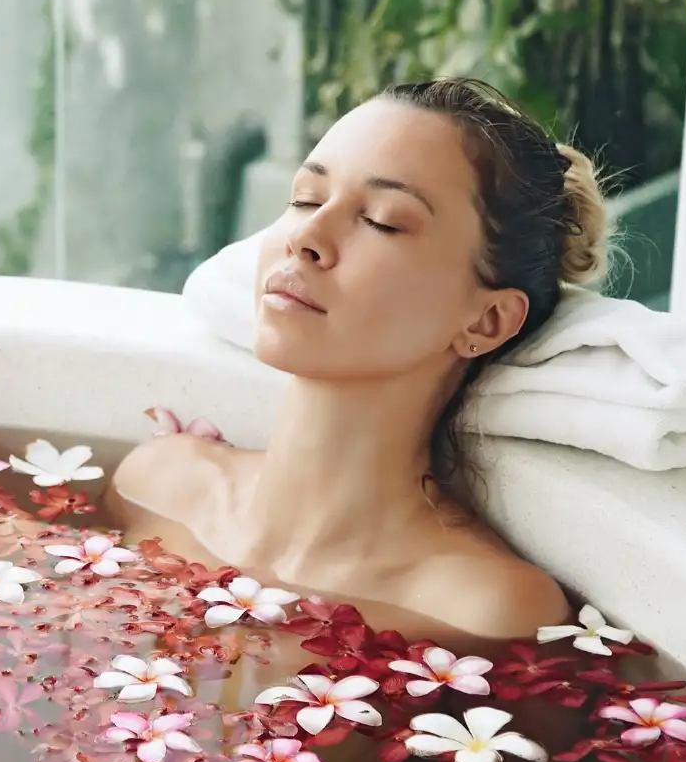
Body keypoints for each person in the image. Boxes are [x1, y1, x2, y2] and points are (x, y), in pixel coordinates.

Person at [109, 77, 609, 648]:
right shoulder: (159, 482)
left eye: (384, 221)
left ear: (484, 321)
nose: (307, 237)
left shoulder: (487, 610)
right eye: (305, 198)